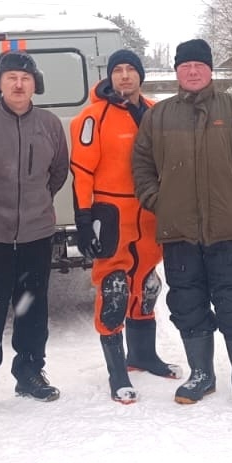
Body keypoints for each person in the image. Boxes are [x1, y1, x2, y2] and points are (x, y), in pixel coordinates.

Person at [132, 38, 232, 409]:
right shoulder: (158, 116)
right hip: (178, 231)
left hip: (229, 228)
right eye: (185, 66)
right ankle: (201, 374)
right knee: (188, 303)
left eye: (199, 65)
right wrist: (157, 201)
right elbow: (142, 166)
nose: (192, 71)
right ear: (177, 71)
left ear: (210, 70)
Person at [0, 50, 70, 410]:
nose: (19, 84)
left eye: (25, 78)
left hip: (37, 234)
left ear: (35, 84)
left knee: (31, 308)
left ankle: (30, 373)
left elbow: (58, 172)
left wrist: (36, 203)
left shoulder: (49, 123)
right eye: (11, 78)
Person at [71, 49, 180, 404]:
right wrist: (84, 218)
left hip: (149, 211)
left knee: (146, 284)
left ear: (140, 75)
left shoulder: (155, 112)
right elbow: (82, 172)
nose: (124, 76)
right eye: (117, 70)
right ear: (109, 76)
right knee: (115, 288)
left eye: (131, 69)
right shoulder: (92, 117)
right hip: (110, 212)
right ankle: (116, 371)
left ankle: (142, 355)